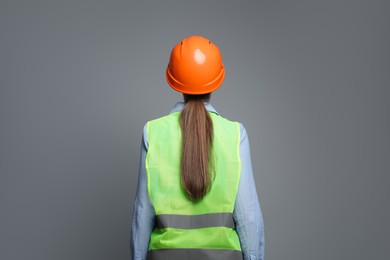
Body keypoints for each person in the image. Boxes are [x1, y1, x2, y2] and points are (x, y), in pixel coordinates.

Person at [130, 35, 264, 260]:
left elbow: (142, 215)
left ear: (173, 80)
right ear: (217, 79)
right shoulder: (235, 134)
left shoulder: (152, 132)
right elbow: (249, 218)